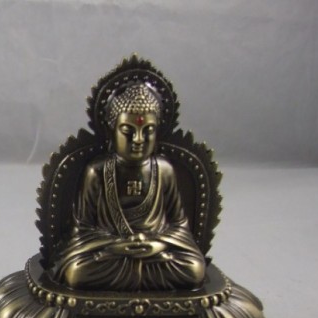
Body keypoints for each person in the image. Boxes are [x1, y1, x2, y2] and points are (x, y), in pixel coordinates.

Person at [51, 83, 205, 291]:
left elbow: (178, 225)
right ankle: (141, 280)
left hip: (156, 255)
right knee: (75, 272)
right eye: (127, 131)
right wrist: (117, 246)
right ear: (112, 131)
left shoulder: (164, 170)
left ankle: (131, 279)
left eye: (148, 130)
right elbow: (82, 229)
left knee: (194, 269)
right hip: (111, 254)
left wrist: (157, 244)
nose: (138, 139)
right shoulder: (97, 170)